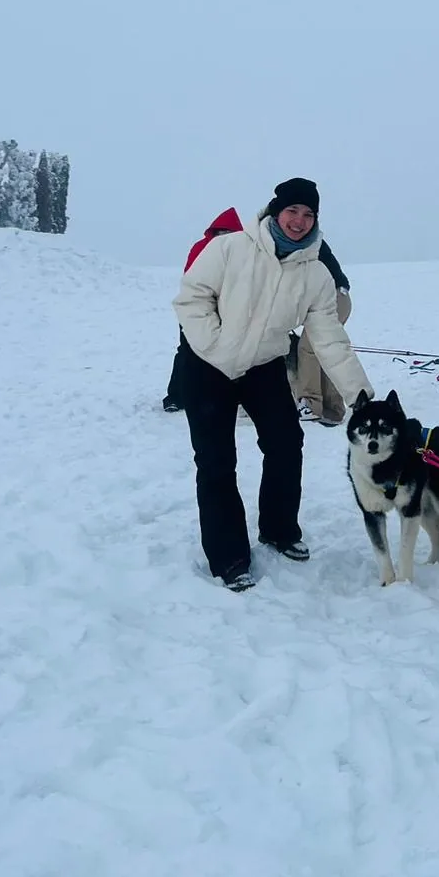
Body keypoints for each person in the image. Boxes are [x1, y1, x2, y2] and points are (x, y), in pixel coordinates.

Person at [174, 177, 373, 590]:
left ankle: (279, 529)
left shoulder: (315, 274)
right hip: (207, 364)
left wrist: (360, 395)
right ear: (274, 211)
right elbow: (191, 297)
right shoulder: (230, 248)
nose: (299, 221)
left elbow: (328, 338)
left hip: (264, 365)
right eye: (292, 211)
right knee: (215, 462)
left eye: (308, 214)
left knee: (286, 443)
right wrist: (214, 345)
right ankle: (228, 557)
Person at [163, 208, 243, 411]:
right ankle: (177, 396)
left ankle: (182, 396)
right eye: (222, 233)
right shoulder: (205, 248)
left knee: (202, 351)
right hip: (199, 308)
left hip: (215, 309)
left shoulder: (238, 251)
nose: (224, 238)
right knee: (190, 351)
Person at [291, 237, 354, 425]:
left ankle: (310, 405)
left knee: (308, 349)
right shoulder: (310, 241)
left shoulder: (305, 245)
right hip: (337, 297)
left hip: (333, 299)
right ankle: (333, 408)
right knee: (325, 351)